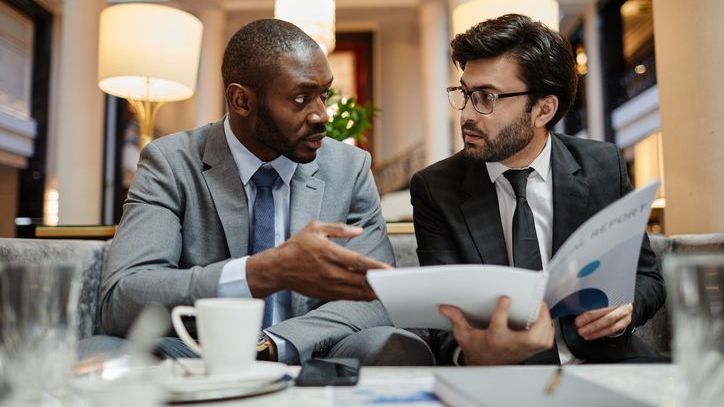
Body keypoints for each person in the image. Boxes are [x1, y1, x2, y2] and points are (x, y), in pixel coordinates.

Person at [100, 19, 433, 366]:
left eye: (325, 95)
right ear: (241, 100)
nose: (322, 115)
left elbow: (375, 295)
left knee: (396, 345)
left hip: (316, 349)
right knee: (99, 355)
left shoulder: (349, 167)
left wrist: (275, 343)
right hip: (199, 349)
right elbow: (123, 299)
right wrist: (261, 272)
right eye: (301, 98)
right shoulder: (171, 163)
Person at [410, 14, 665, 365]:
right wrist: (475, 356)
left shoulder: (601, 166)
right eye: (465, 94)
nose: (467, 114)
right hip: (499, 374)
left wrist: (626, 308)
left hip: (603, 361)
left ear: (543, 109)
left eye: (487, 97)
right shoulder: (436, 188)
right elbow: (441, 320)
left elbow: (648, 276)